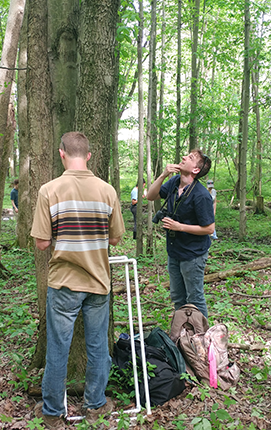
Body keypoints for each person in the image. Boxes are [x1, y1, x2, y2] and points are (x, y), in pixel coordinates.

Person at [30, 132, 125, 428]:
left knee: (58, 348)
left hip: (64, 282)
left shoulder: (49, 190)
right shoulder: (107, 190)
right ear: (89, 155)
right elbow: (117, 238)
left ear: (61, 154)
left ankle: (52, 413)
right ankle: (95, 405)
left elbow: (42, 243)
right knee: (98, 346)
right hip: (98, 281)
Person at [147, 150, 214, 318]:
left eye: (190, 158)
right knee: (178, 297)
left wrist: (179, 227)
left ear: (196, 170)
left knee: (195, 298)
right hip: (174, 251)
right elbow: (150, 195)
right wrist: (163, 174)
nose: (183, 157)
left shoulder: (201, 195)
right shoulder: (175, 181)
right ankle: (182, 335)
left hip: (193, 254)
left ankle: (201, 337)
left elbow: (209, 229)